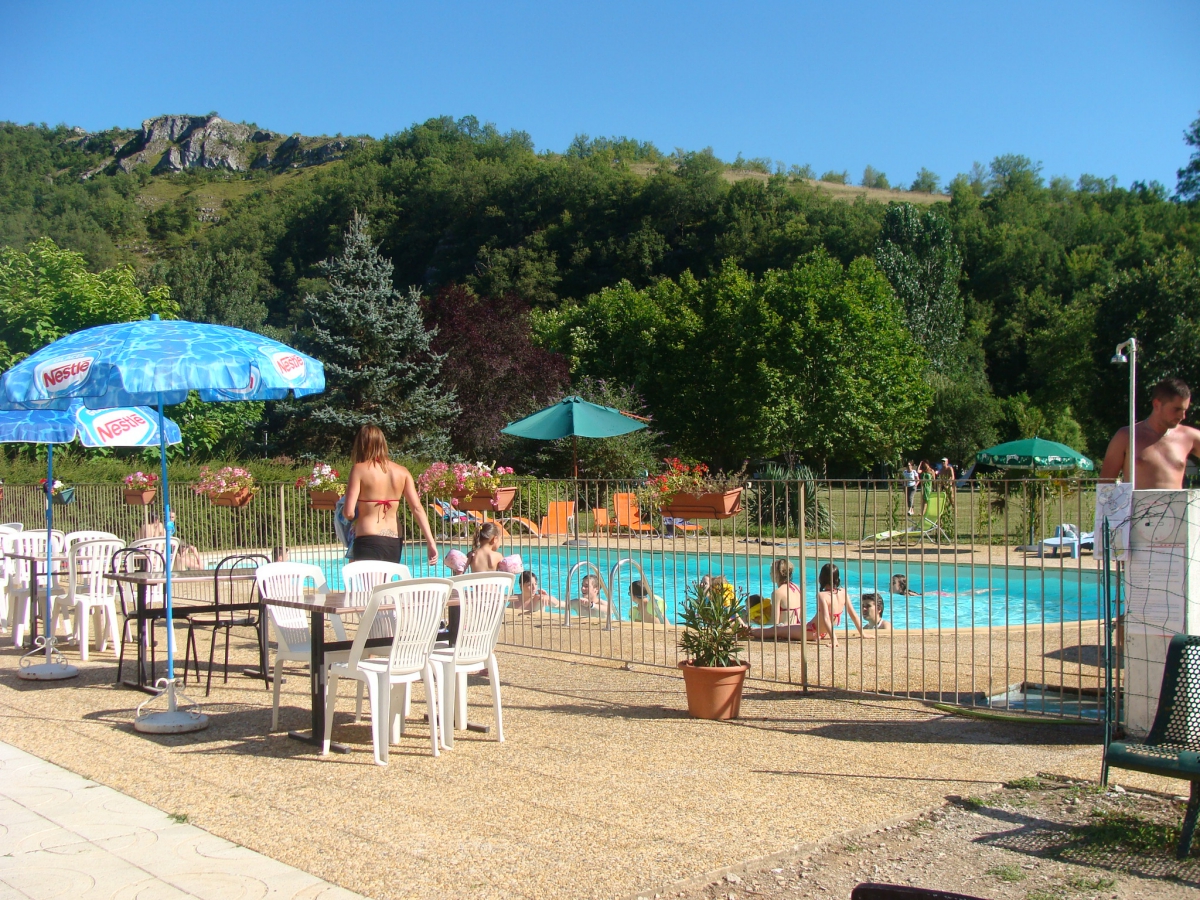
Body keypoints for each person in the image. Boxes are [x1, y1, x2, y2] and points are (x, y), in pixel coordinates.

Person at [342, 425, 438, 565]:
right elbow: (417, 508)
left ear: (361, 445)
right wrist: (431, 542)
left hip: (367, 537)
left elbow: (348, 513)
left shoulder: (359, 469)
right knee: (385, 585)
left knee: (363, 586)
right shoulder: (402, 472)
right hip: (393, 540)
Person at [1100, 377, 1200, 489]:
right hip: (1138, 506)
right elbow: (1105, 487)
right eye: (1176, 409)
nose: (1182, 416)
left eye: (1184, 410)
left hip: (1177, 505)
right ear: (1157, 404)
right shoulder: (1127, 436)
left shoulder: (1189, 437)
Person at [806, 563, 863, 648]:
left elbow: (826, 618)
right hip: (824, 633)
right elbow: (853, 614)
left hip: (811, 630)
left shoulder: (822, 595)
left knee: (780, 630)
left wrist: (834, 640)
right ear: (837, 578)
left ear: (821, 578)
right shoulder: (843, 592)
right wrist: (863, 633)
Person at [769, 558, 803, 626]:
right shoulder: (796, 587)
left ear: (777, 574)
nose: (770, 574)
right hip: (797, 628)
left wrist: (753, 619)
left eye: (772, 572)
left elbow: (774, 622)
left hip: (784, 632)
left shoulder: (777, 593)